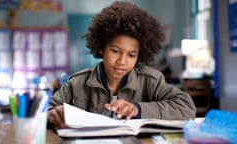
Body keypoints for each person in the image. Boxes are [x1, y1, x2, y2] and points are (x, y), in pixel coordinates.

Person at [47, 1, 196, 129]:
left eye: (131, 55)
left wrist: (137, 109)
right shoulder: (77, 83)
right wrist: (53, 114)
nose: (122, 61)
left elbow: (186, 107)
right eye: (115, 51)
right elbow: (44, 110)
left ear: (139, 56)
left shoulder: (151, 80)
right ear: (101, 48)